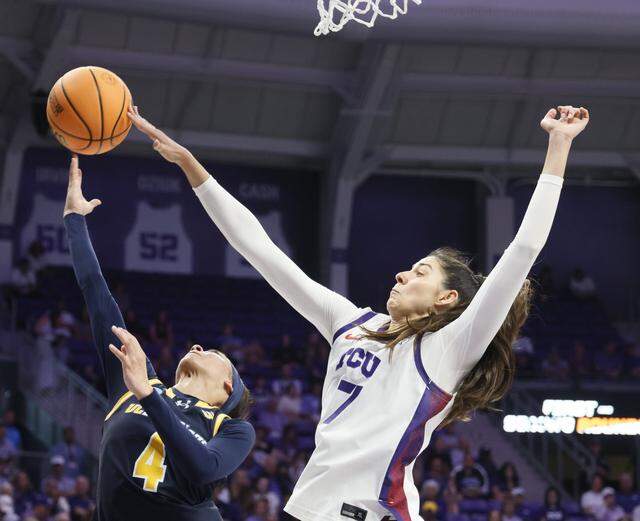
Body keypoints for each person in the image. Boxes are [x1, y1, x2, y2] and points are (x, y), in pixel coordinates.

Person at [129, 104, 590, 521]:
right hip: (306, 507)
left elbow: (524, 248)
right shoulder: (350, 323)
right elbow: (260, 249)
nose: (402, 275)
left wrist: (558, 144)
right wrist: (192, 167)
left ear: (446, 299)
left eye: (420, 272)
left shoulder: (449, 348)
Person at [62, 156, 255, 521]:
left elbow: (205, 468)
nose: (197, 347)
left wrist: (149, 396)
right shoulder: (138, 379)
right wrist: (74, 219)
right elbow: (97, 294)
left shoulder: (231, 428)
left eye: (212, 351)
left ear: (228, 386)